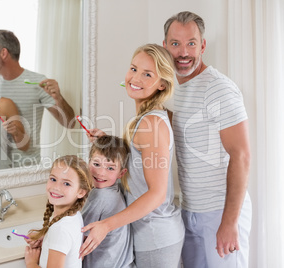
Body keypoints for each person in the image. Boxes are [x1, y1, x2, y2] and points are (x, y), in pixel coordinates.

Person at [80, 44, 185, 268]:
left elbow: (156, 194)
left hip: (156, 236)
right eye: (133, 69)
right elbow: (140, 160)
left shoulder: (151, 123)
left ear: (162, 84)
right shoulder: (146, 119)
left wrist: (106, 225)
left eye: (147, 74)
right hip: (151, 233)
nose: (135, 78)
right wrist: (107, 142)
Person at [163, 11, 252, 267]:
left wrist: (229, 222)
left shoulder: (219, 88)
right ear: (165, 46)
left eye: (191, 43)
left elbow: (242, 155)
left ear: (202, 45)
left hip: (221, 212)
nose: (183, 52)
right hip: (189, 210)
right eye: (176, 43)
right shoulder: (173, 90)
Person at [0, 30, 75, 166]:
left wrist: (59, 98)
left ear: (3, 53)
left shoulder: (38, 82)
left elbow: (70, 123)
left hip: (27, 168)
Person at [24, 155, 93, 268]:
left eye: (66, 183)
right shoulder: (75, 216)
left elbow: (62, 234)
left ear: (81, 192)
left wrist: (31, 263)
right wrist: (47, 239)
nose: (56, 187)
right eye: (53, 179)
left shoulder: (60, 229)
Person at [81, 135, 135, 268]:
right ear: (89, 162)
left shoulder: (100, 196)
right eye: (96, 164)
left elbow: (78, 237)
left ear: (121, 173)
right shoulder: (116, 189)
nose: (101, 173)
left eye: (110, 168)